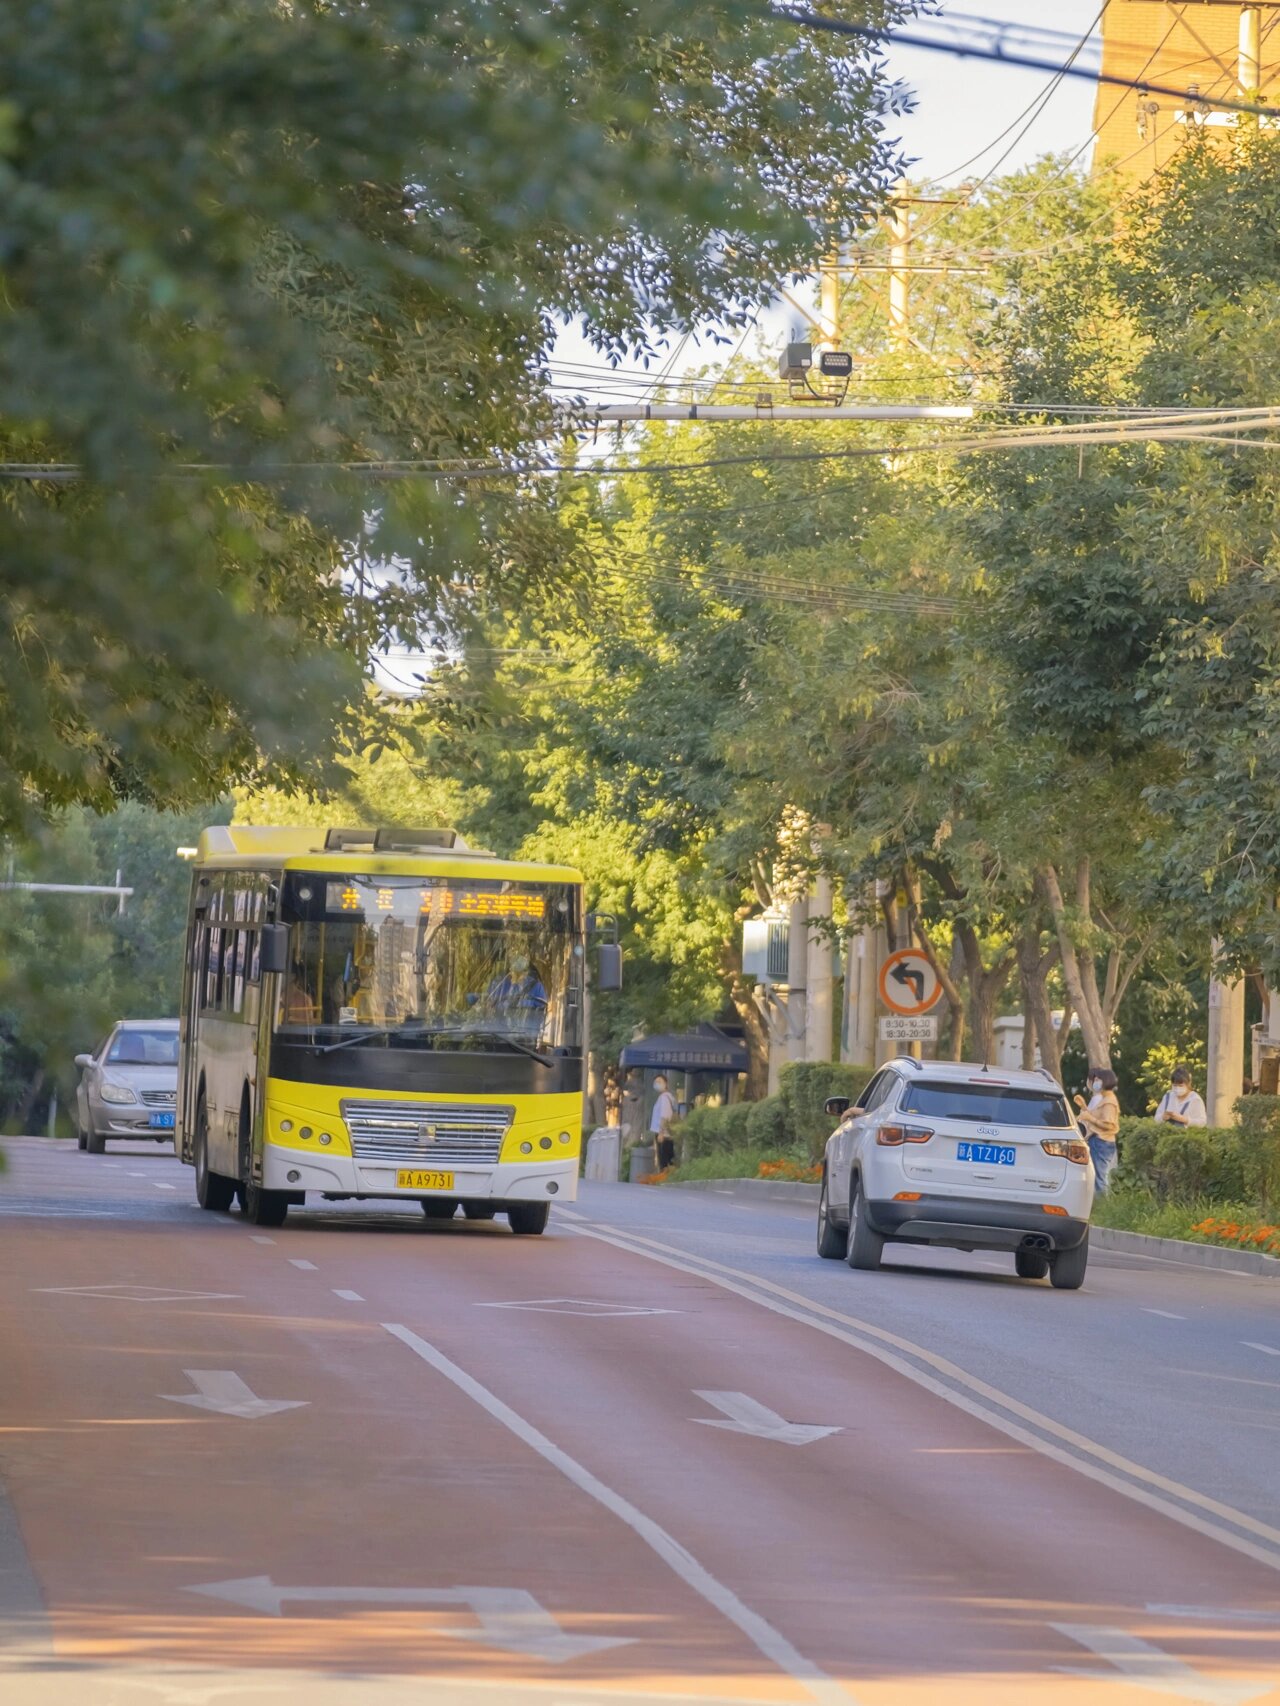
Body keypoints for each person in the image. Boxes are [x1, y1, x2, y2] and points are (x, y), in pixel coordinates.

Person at [1074, 1067, 1120, 1194]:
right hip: (1097, 1141)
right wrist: (1084, 1108)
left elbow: (1110, 1125)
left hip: (1102, 1142)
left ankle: (1102, 1207)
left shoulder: (1109, 1101)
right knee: (1097, 1177)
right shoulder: (1105, 1099)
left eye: (1099, 1080)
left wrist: (1090, 1118)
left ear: (1106, 1081)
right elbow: (1095, 1116)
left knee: (1100, 1179)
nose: (1096, 1082)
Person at [485, 953, 547, 1026]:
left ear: (526, 973)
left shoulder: (536, 987)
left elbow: (543, 1013)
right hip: (501, 1031)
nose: (513, 975)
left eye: (518, 973)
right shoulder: (500, 984)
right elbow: (489, 1004)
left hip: (528, 1032)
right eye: (513, 971)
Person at [650, 1074, 678, 1170]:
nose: (657, 1084)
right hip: (666, 1133)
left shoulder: (664, 1098)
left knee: (664, 1160)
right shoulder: (666, 1097)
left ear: (665, 1084)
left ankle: (666, 1180)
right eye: (655, 1082)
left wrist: (661, 1133)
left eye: (659, 1082)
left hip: (663, 1134)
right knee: (667, 1159)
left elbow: (664, 1116)